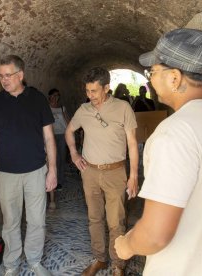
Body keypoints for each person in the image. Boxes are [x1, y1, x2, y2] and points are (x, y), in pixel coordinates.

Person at [114, 28, 202, 275]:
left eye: (152, 72)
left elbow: (155, 234)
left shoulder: (174, 134)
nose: (151, 78)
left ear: (174, 77)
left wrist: (126, 245)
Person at [0, 55, 57, 276]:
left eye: (8, 75)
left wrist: (53, 170)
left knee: (36, 221)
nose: (4, 80)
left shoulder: (38, 99)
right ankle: (11, 264)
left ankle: (34, 261)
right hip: (6, 173)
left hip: (35, 171)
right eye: (0, 76)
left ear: (20, 75)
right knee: (10, 222)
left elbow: (49, 138)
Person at [65, 67, 139, 276]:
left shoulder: (123, 108)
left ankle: (118, 264)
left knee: (116, 220)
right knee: (94, 218)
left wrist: (133, 176)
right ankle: (99, 259)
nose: (91, 96)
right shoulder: (83, 109)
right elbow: (69, 131)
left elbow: (132, 144)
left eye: (95, 91)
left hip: (116, 172)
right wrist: (73, 153)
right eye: (87, 91)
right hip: (89, 172)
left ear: (107, 87)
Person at [47, 88, 70, 209]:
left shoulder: (62, 108)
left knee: (61, 157)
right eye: (54, 95)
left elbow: (67, 120)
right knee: (52, 159)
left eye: (58, 95)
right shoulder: (47, 108)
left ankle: (60, 180)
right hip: (50, 135)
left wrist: (70, 133)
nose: (56, 97)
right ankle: (52, 181)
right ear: (49, 96)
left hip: (61, 135)